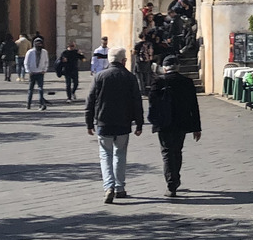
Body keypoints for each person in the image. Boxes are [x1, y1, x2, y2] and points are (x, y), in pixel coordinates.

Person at [86, 47, 144, 202]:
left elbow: (90, 101)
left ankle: (109, 186)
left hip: (103, 122)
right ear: (124, 60)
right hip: (123, 123)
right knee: (120, 154)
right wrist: (139, 123)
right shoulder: (130, 77)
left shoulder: (100, 76)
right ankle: (120, 187)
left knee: (105, 154)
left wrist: (88, 122)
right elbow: (137, 102)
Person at [148, 58, 202, 198]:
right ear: (178, 67)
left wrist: (153, 121)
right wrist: (197, 127)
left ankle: (171, 184)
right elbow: (193, 106)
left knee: (167, 153)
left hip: (163, 123)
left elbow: (152, 103)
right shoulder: (187, 82)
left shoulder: (158, 81)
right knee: (177, 151)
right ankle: (175, 179)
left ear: (164, 68)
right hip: (181, 122)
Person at [24, 35, 51, 109]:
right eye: (38, 44)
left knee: (40, 89)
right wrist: (28, 71)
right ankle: (28, 104)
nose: (39, 45)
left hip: (40, 72)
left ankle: (41, 104)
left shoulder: (44, 52)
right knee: (31, 89)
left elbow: (46, 61)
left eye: (41, 44)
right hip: (32, 73)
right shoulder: (30, 52)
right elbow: (26, 62)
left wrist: (44, 70)